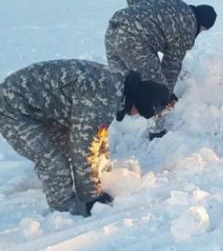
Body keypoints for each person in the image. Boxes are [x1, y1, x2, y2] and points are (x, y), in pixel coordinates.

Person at [0, 60, 170, 216]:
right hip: (13, 109)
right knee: (54, 162)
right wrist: (91, 198)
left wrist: (105, 173)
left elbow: (97, 136)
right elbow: (84, 150)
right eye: (140, 112)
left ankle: (61, 188)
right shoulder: (103, 97)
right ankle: (64, 214)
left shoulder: (117, 86)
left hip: (39, 108)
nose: (136, 116)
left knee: (68, 151)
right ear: (138, 103)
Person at [105, 0, 217, 140]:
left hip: (114, 28)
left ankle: (106, 125)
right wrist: (166, 94)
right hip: (134, 41)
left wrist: (136, 18)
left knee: (118, 82)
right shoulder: (188, 29)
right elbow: (171, 66)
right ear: (202, 26)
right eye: (203, 31)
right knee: (155, 87)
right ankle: (157, 131)